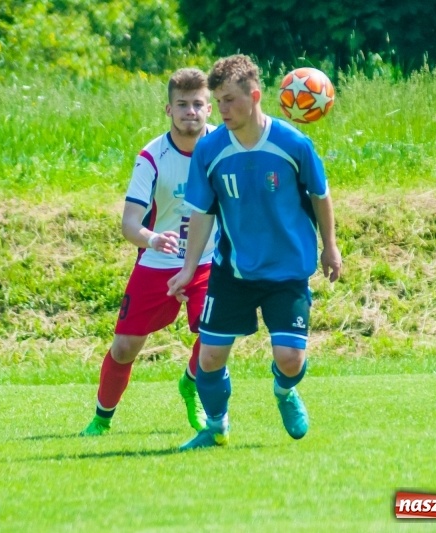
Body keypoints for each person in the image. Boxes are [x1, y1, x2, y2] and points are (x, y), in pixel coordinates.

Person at [167, 55, 342, 450]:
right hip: (234, 272)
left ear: (255, 95)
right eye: (218, 101)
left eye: (230, 100)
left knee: (290, 360)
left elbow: (320, 195)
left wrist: (330, 246)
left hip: (287, 271)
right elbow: (201, 212)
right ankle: (215, 428)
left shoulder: (293, 144)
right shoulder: (209, 150)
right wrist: (188, 268)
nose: (222, 110)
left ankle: (284, 391)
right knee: (209, 358)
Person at [80, 68, 217, 437]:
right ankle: (101, 419)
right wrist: (153, 239)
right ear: (168, 110)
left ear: (209, 109)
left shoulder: (224, 147)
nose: (191, 111)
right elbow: (129, 224)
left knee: (215, 335)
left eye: (198, 104)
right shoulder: (152, 157)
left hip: (207, 260)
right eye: (182, 104)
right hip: (158, 262)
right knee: (125, 348)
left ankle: (191, 383)